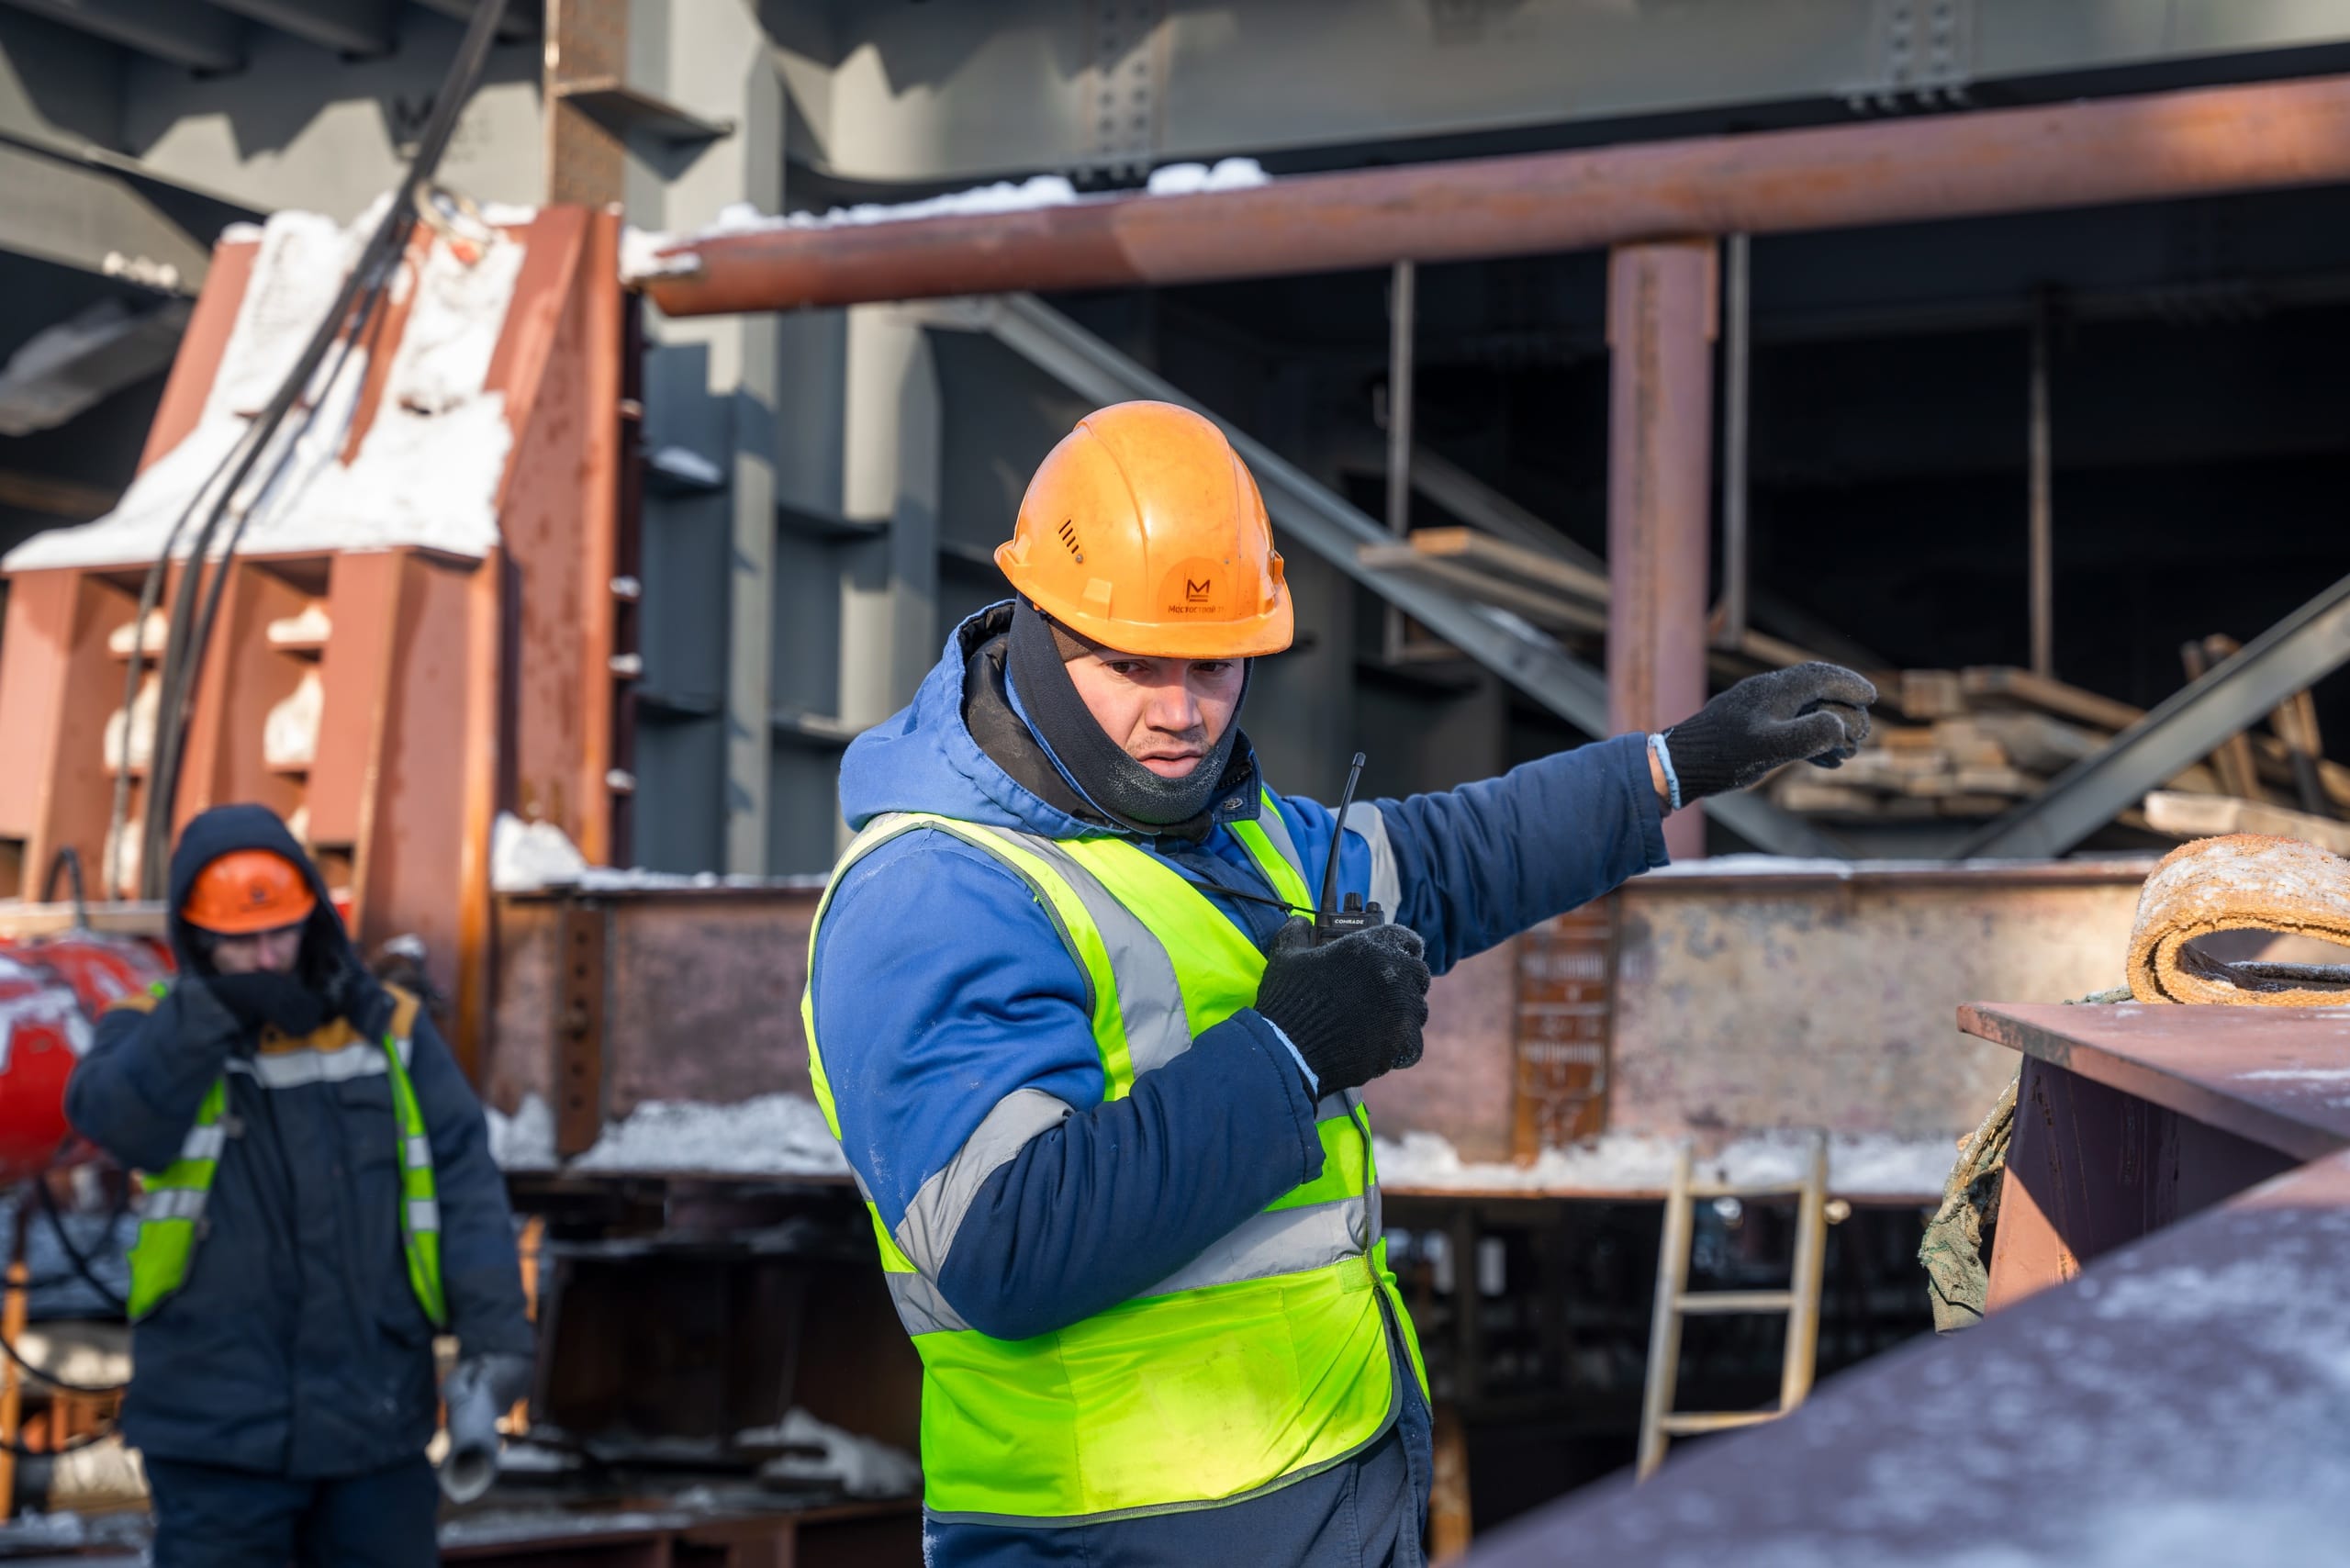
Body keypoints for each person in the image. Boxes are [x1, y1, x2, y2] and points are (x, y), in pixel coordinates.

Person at [801, 400, 1874, 1567]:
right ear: (1037, 631)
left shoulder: (1221, 832)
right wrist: (1289, 1053)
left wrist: (1676, 763)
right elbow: (1005, 1244)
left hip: (1322, 1496)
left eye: (1213, 666)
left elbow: (1451, 858)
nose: (1180, 712)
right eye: (1133, 665)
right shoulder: (937, 889)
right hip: (1113, 1540)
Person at [65, 804, 533, 1567]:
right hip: (216, 1440)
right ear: (197, 938)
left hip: (373, 1427)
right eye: (240, 941)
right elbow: (117, 1121)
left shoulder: (390, 1032)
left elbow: (465, 1189)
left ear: (311, 919)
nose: (265, 957)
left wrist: (496, 1337)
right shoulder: (152, 1028)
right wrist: (206, 1018)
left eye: (279, 933)